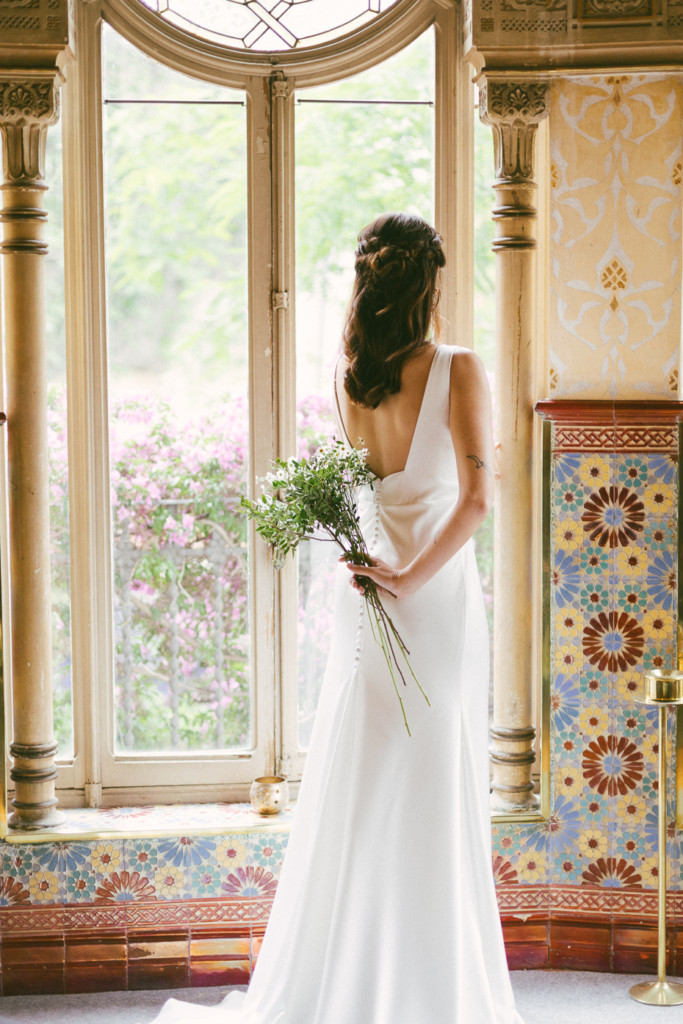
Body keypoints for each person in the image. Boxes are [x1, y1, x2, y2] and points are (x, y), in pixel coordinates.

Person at [150, 212, 525, 1023]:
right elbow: (476, 502)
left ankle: (356, 981)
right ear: (430, 282)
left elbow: (366, 495)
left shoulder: (346, 376)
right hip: (427, 602)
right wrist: (408, 578)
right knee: (428, 780)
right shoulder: (458, 368)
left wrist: (377, 571)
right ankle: (424, 989)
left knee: (369, 782)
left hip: (368, 602)